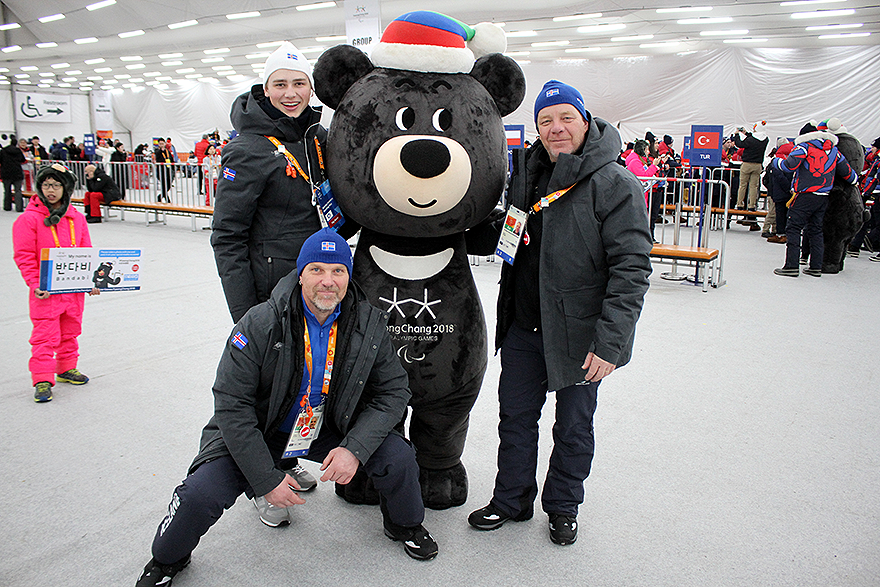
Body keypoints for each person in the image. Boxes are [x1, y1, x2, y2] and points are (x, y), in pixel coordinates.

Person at [135, 229, 438, 587]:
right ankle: (167, 559)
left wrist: (354, 448)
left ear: (348, 276)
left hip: (330, 425)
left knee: (398, 458)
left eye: (338, 271)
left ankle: (404, 524)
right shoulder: (261, 322)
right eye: (317, 270)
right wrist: (265, 479)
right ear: (300, 273)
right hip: (263, 429)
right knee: (200, 493)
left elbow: (393, 391)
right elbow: (232, 406)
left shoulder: (369, 322)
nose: (328, 281)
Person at [468, 80, 652, 546]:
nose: (556, 129)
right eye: (545, 121)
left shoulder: (615, 183)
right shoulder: (527, 173)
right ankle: (511, 499)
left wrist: (609, 344)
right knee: (514, 419)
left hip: (580, 335)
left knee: (572, 426)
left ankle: (564, 506)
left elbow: (631, 270)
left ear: (585, 120)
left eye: (566, 117)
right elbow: (511, 236)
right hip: (524, 327)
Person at [12, 163, 100, 402]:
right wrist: (34, 283)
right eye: (46, 185)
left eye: (56, 185)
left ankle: (66, 367)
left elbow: (85, 253)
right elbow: (24, 256)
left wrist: (90, 280)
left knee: (70, 330)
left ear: (66, 188)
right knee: (44, 334)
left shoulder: (77, 219)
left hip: (72, 291)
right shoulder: (28, 220)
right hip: (46, 291)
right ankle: (42, 377)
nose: (51, 190)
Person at [771, 122, 858, 277]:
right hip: (823, 196)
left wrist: (775, 162)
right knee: (816, 230)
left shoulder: (804, 147)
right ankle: (816, 266)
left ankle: (791, 265)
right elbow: (849, 174)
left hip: (804, 195)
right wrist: (854, 182)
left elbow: (788, 166)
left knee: (793, 228)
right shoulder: (834, 150)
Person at [733, 122, 769, 220]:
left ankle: (740, 203)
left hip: (747, 164)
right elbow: (753, 137)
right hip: (758, 165)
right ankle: (752, 205)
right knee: (754, 186)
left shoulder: (750, 140)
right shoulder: (765, 139)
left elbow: (740, 144)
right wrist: (746, 133)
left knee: (743, 185)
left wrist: (737, 134)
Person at [1, 136, 26, 212]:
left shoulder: (3, 151)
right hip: (17, 172)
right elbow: (23, 160)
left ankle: (7, 206)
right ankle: (19, 207)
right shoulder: (18, 151)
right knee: (18, 190)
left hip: (6, 173)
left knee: (7, 190)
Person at [153, 138, 174, 203]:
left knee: (168, 185)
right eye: (160, 144)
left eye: (162, 143)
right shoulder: (157, 151)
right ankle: (167, 199)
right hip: (161, 170)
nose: (162, 145)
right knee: (164, 185)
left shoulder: (167, 151)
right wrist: (160, 150)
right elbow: (158, 159)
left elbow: (171, 159)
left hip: (168, 170)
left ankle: (160, 196)